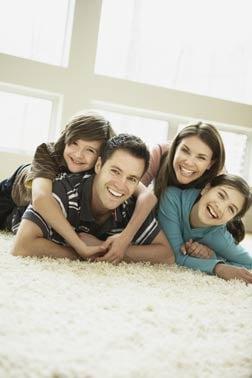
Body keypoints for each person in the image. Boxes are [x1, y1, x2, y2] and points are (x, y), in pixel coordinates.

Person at [1, 111, 157, 260]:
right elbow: (41, 198)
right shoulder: (48, 153)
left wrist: (124, 239)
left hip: (30, 209)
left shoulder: (108, 171)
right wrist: (79, 245)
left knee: (19, 219)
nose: (78, 154)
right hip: (17, 191)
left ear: (100, 157)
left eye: (89, 150)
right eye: (74, 143)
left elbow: (147, 196)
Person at [11, 134, 175, 266]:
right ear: (98, 166)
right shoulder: (66, 190)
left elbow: (166, 255)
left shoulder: (132, 205)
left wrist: (114, 249)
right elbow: (22, 245)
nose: (121, 185)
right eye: (115, 171)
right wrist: (83, 251)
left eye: (132, 179)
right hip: (15, 197)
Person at [158, 174, 252, 283]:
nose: (220, 208)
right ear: (206, 189)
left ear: (231, 219)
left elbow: (249, 263)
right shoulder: (172, 198)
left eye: (231, 209)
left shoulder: (220, 236)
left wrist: (212, 256)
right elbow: (173, 256)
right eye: (221, 195)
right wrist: (218, 267)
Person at [141, 122, 226, 199]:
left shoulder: (218, 175)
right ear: (175, 148)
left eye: (201, 158)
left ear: (210, 164)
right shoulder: (160, 152)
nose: (189, 162)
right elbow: (135, 185)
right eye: (185, 151)